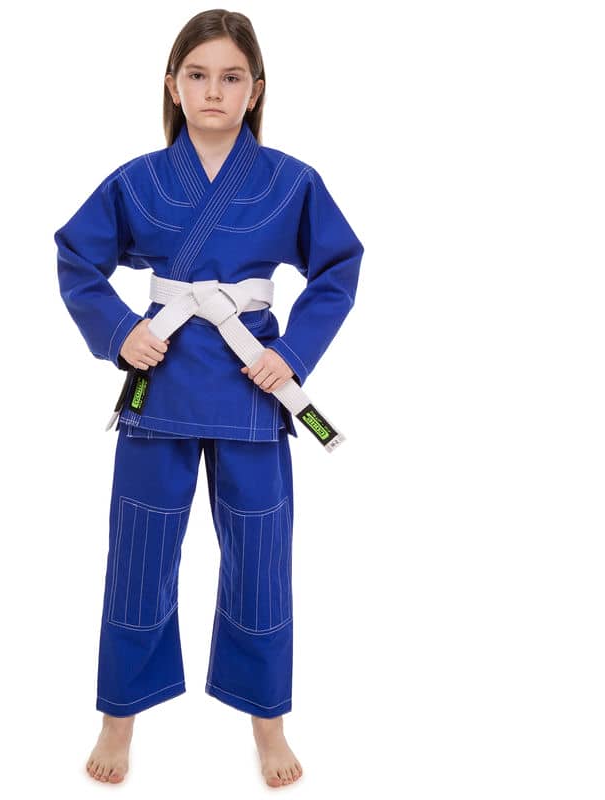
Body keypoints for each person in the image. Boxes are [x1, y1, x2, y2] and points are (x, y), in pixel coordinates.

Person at [54, 9, 364, 788]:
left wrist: (290, 354)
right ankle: (117, 719)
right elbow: (76, 257)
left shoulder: (291, 181)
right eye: (197, 75)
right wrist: (120, 331)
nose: (214, 91)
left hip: (251, 392)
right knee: (138, 560)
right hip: (160, 389)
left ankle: (269, 725)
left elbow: (338, 268)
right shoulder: (139, 181)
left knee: (261, 563)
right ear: (173, 85)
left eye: (231, 77)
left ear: (255, 90)